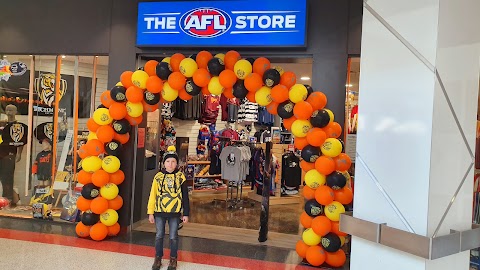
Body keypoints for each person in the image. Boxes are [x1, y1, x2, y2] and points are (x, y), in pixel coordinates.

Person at [147, 145, 190, 270]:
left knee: (173, 237)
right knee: (159, 235)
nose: (170, 164)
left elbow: (185, 197)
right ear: (163, 163)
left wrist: (185, 213)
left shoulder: (181, 177)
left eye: (173, 162)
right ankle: (158, 257)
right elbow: (152, 195)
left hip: (175, 213)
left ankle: (173, 258)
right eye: (167, 161)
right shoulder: (158, 177)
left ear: (176, 163)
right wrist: (150, 212)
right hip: (159, 212)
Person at [0, 104, 27, 205]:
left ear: (16, 112)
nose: (8, 112)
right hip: (1, 153)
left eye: (11, 110)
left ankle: (9, 200)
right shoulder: (2, 124)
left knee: (8, 178)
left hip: (9, 155)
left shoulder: (18, 126)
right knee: (2, 179)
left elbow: (21, 141)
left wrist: (19, 153)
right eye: (7, 110)